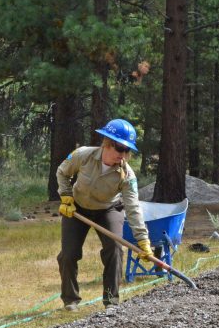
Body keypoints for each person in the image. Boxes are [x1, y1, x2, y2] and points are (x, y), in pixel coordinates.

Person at [56, 119, 155, 310]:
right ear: (107, 143)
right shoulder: (83, 155)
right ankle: (70, 300)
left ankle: (111, 301)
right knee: (68, 255)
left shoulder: (128, 176)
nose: (124, 155)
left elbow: (133, 208)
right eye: (120, 149)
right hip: (77, 208)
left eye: (128, 151)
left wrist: (143, 241)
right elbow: (62, 172)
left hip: (108, 209)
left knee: (115, 250)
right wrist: (66, 197)